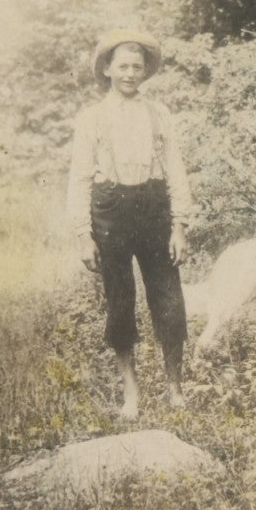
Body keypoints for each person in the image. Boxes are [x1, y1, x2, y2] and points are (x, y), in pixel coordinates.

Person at [65, 29, 195, 419]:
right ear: (106, 69)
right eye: (122, 66)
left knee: (169, 300)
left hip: (154, 207)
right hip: (110, 212)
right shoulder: (91, 118)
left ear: (146, 71)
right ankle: (131, 394)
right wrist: (83, 235)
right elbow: (79, 177)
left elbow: (176, 169)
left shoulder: (159, 114)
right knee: (120, 302)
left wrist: (180, 224)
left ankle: (174, 387)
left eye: (137, 67)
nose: (130, 74)